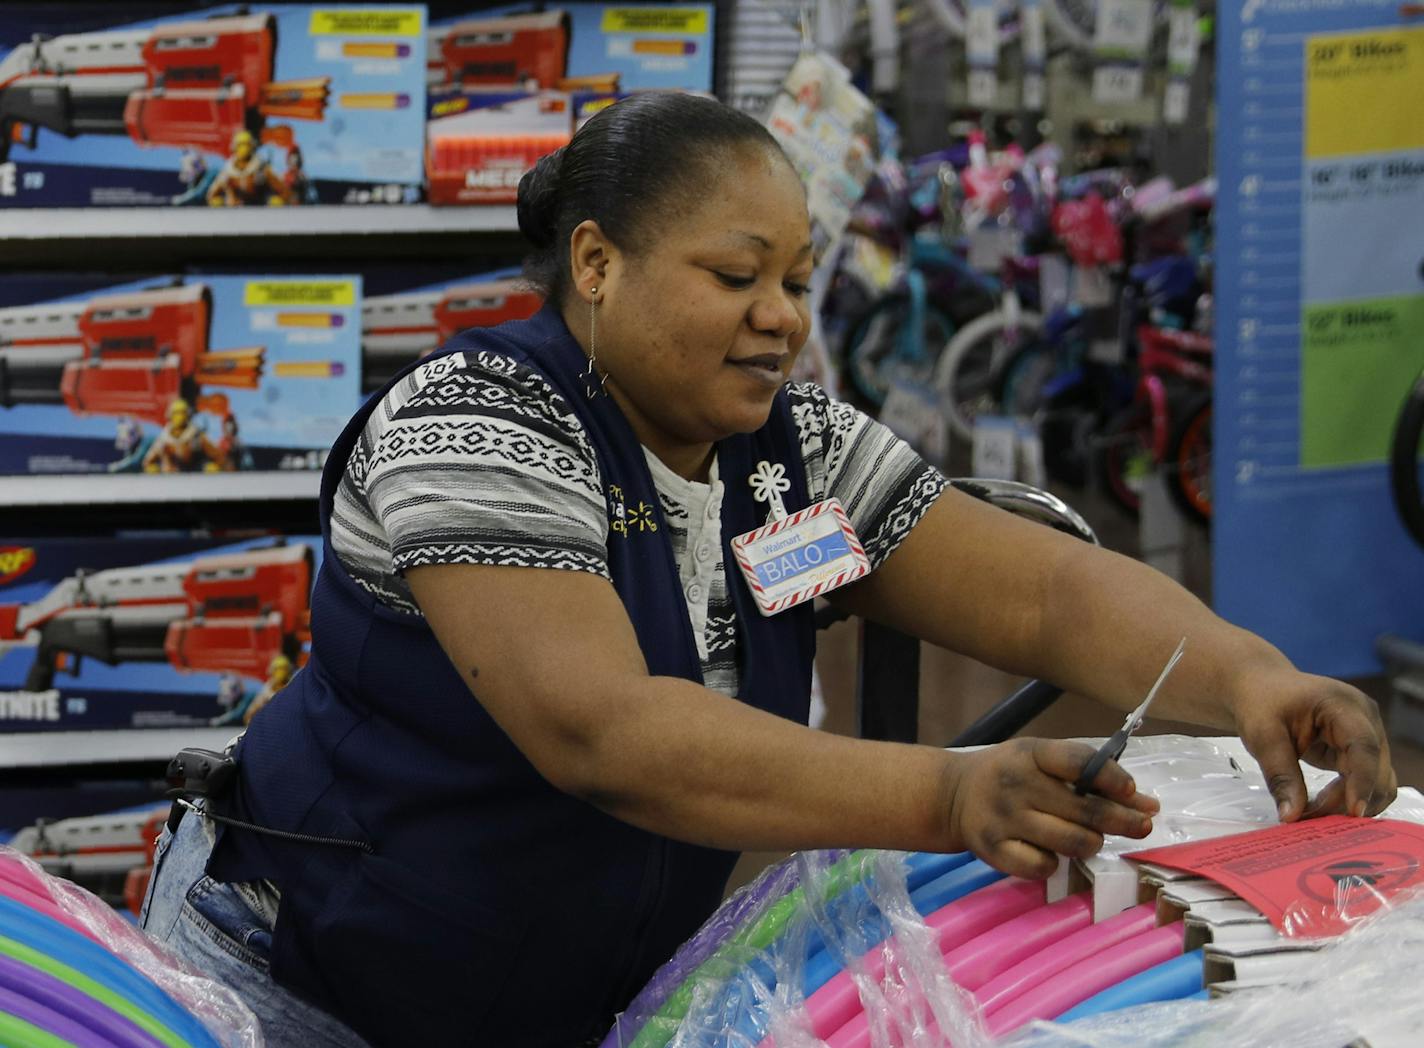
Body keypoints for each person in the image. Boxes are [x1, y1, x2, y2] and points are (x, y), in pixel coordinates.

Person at [140, 94, 1397, 1047]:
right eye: (735, 276)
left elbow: (1043, 590)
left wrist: (1245, 675)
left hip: (557, 991)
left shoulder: (792, 449)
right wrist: (951, 795)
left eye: (796, 280)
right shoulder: (477, 426)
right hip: (300, 982)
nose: (782, 316)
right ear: (594, 265)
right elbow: (605, 731)